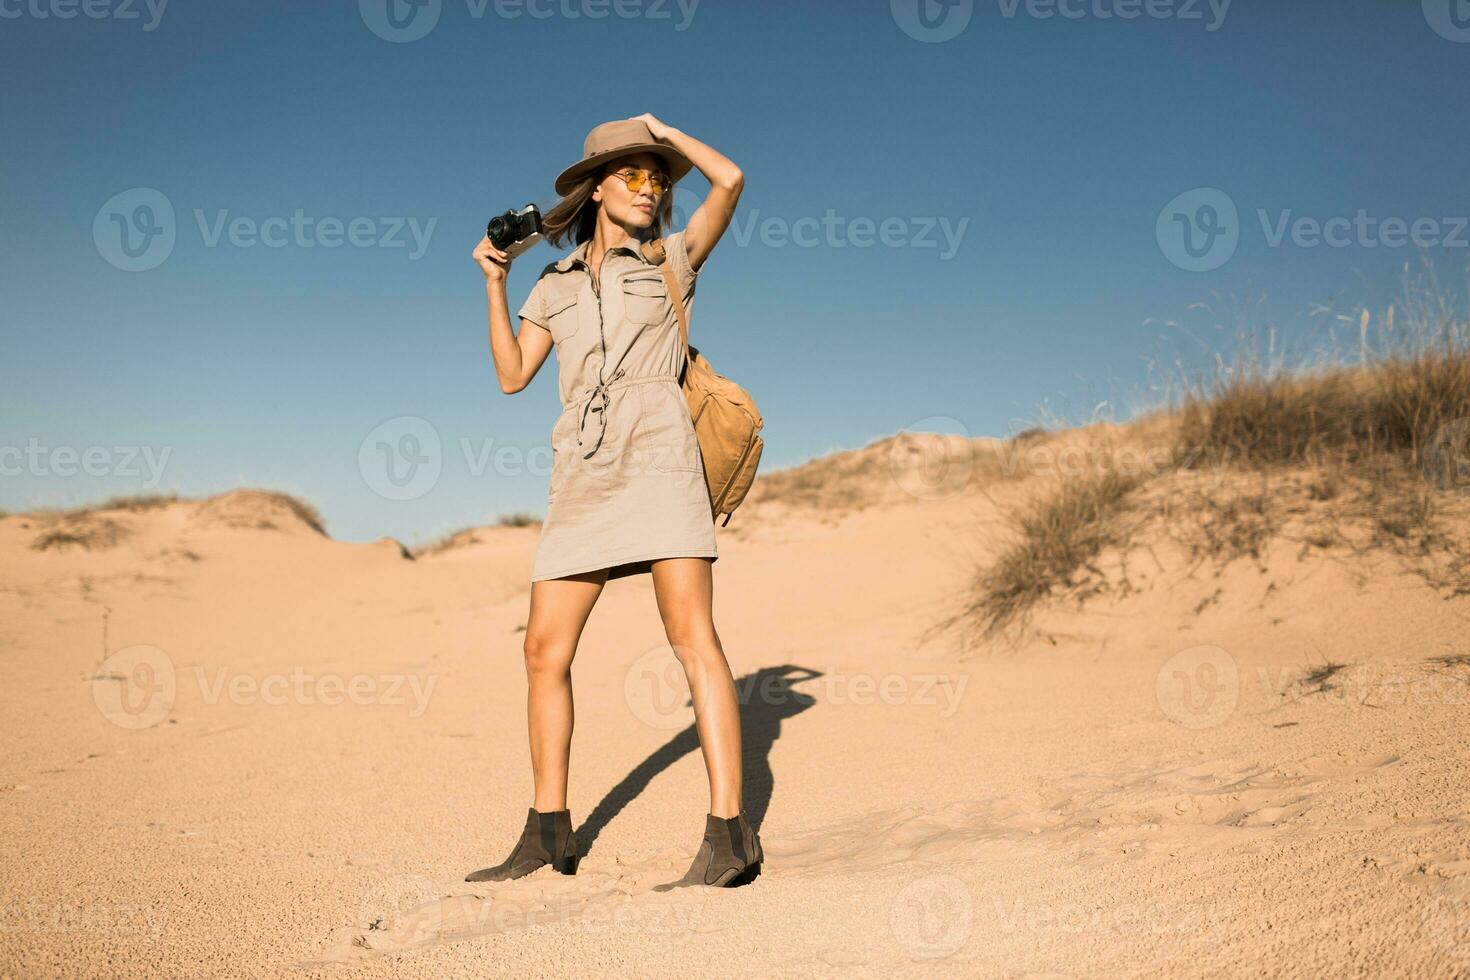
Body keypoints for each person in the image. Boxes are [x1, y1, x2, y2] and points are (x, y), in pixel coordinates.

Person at [466, 115, 762, 889]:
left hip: (662, 452)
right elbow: (510, 375)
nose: (649, 187)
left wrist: (663, 132)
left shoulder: (674, 259)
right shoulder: (553, 284)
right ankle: (547, 832)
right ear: (595, 188)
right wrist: (496, 282)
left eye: (656, 177)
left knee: (692, 636)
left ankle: (730, 835)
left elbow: (728, 181)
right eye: (630, 174)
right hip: (583, 468)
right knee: (543, 651)